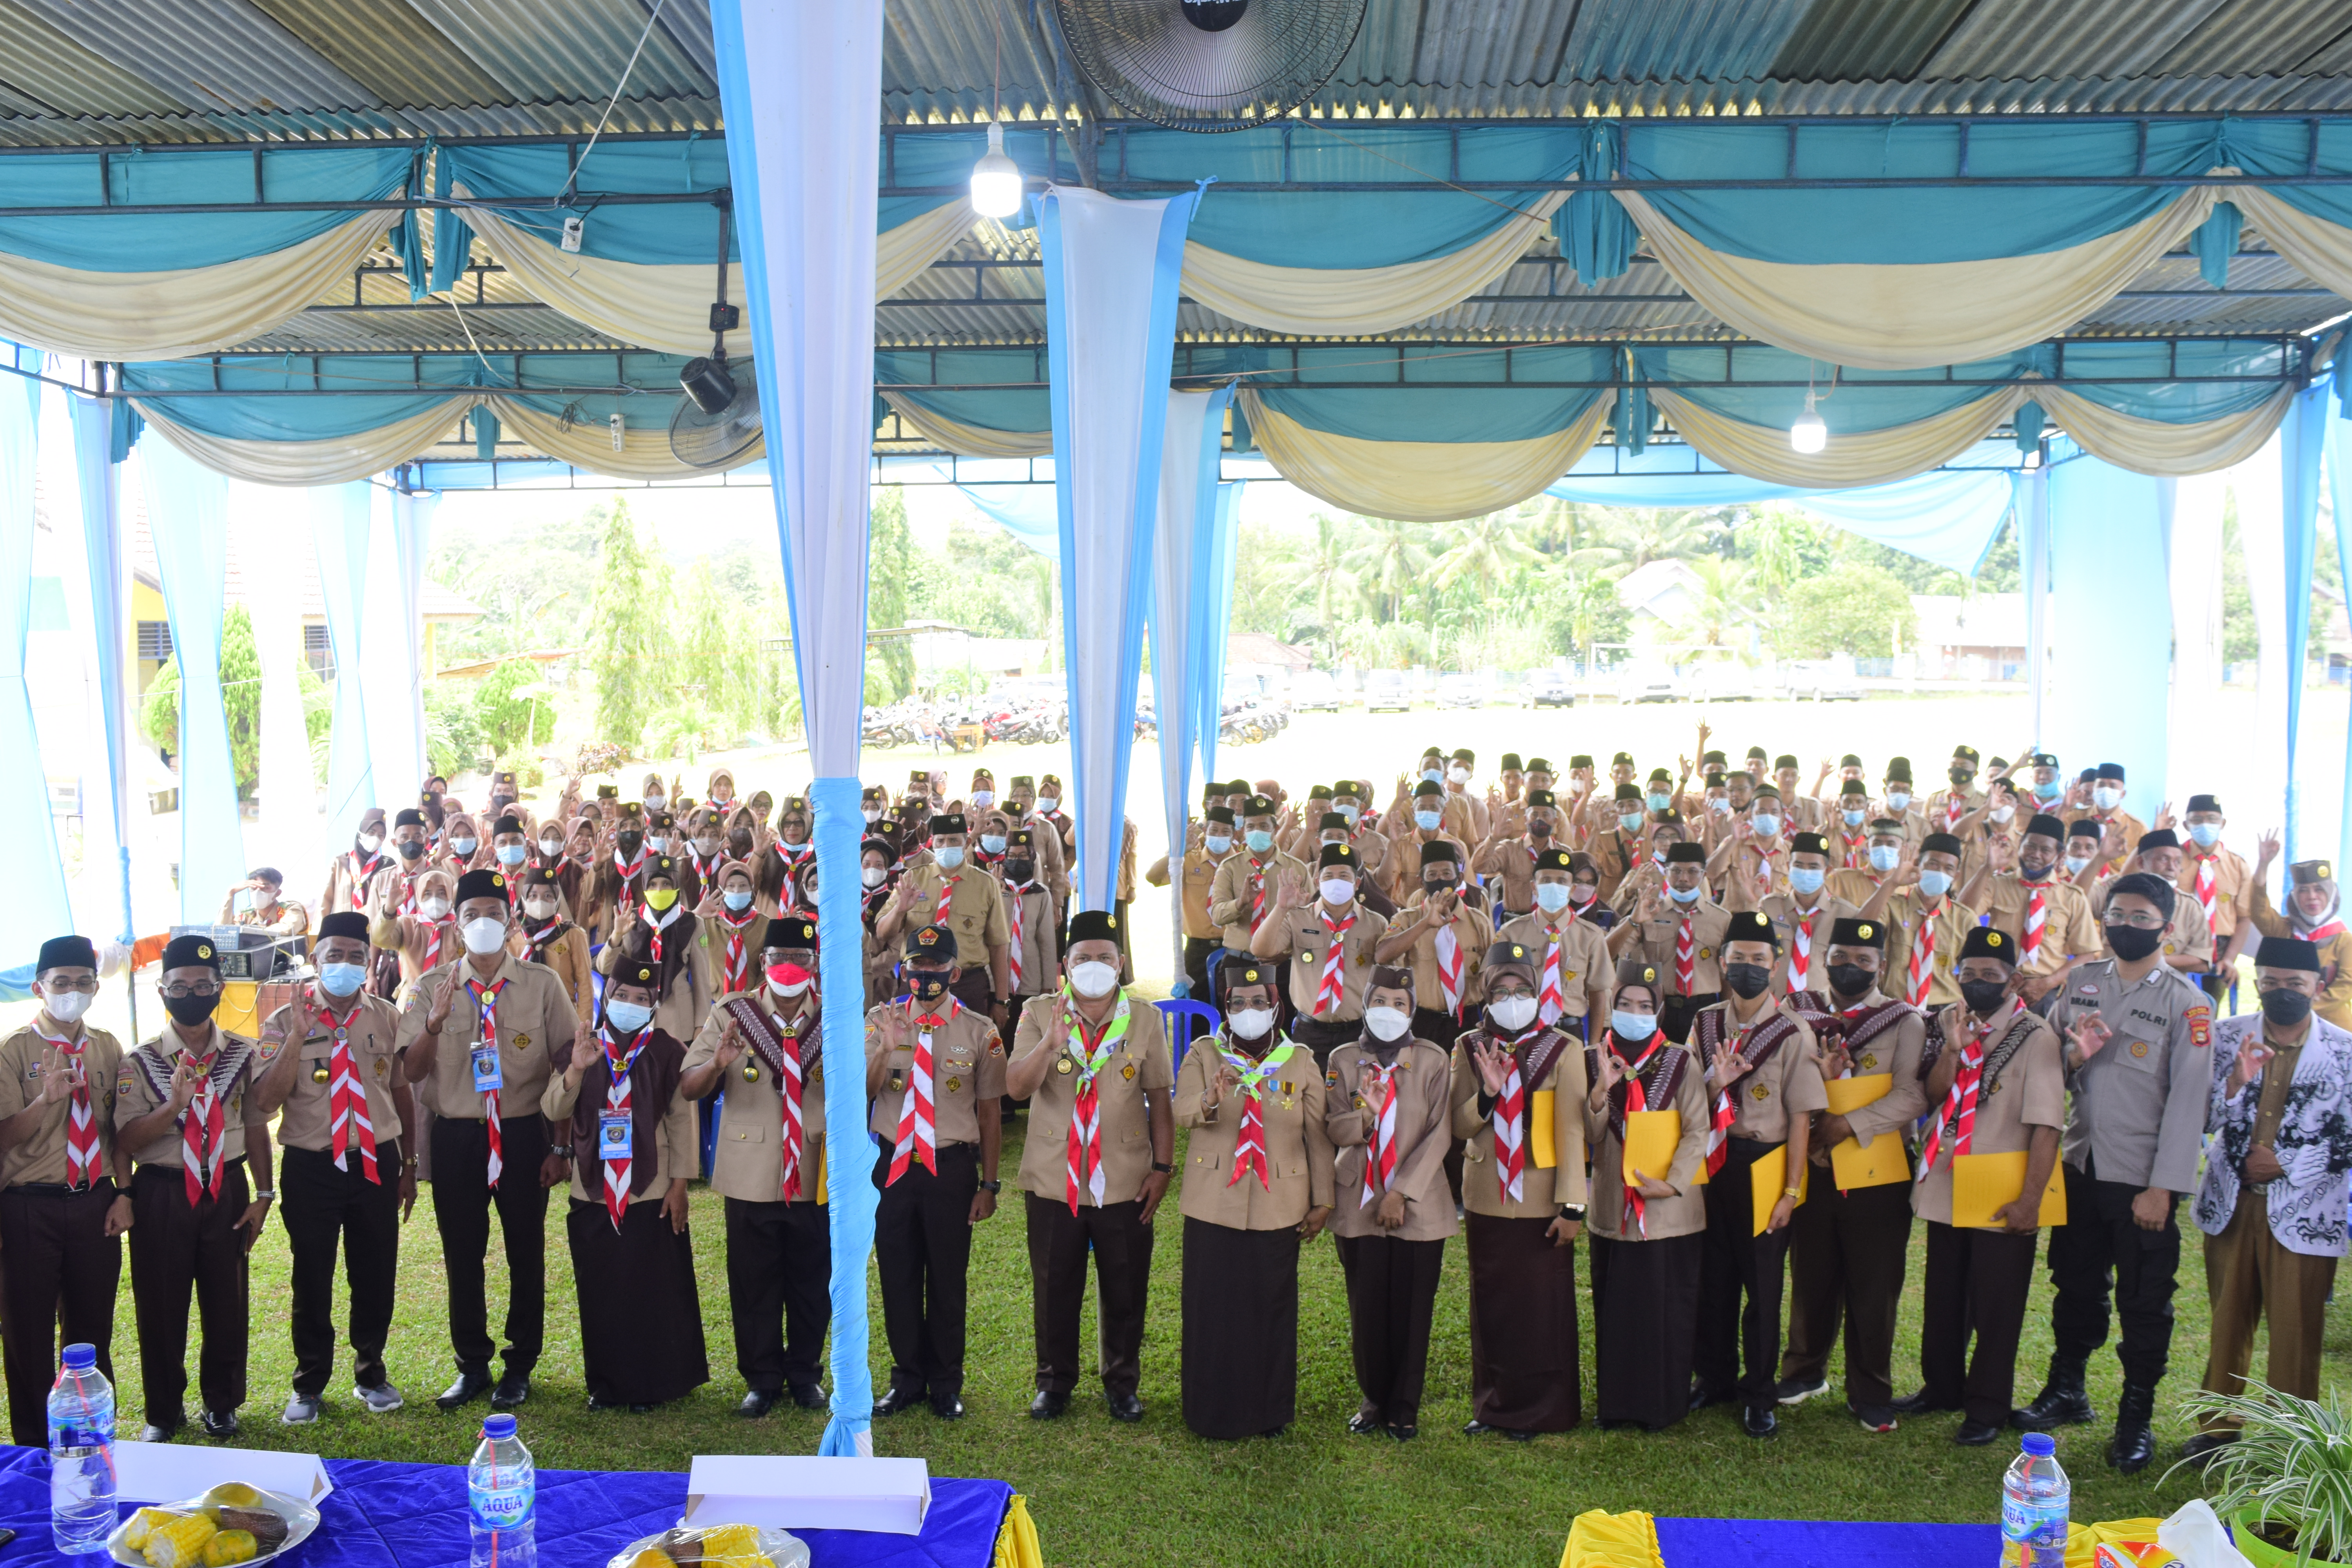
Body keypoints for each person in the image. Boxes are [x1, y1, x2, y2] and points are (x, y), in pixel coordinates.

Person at [2016, 871, 2212, 1471]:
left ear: (2166, 927)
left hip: (2142, 1178)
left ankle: (2136, 1416)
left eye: (2140, 918)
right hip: (2082, 1163)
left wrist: (2163, 1188)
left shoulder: (2187, 1002)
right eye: (2117, 916)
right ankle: (2067, 1389)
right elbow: (2050, 1065)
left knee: (2145, 1301)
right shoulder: (2083, 982)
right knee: (2075, 1283)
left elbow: (2189, 1103)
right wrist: (2075, 1055)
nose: (2126, 926)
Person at [397, 868, 580, 1413]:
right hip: (458, 1135)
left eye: (494, 914)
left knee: (526, 1250)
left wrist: (560, 1146)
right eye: (472, 915)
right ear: (457, 925)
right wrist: (433, 1023)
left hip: (524, 1133)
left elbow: (568, 1066)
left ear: (512, 922)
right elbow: (410, 1071)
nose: (484, 923)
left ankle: (520, 1364)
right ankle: (472, 1365)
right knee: (462, 1252)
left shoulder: (542, 984)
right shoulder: (430, 987)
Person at [2185, 936, 2352, 1463]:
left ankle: (2291, 1442)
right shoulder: (2227, 1036)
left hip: (2307, 1210)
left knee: (2297, 1328)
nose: (2283, 992)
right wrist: (2234, 1084)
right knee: (2228, 1320)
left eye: (2295, 984)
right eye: (2272, 983)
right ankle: (2217, 1432)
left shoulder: (2345, 1050)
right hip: (2232, 1204)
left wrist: (2287, 1164)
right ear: (2258, 983)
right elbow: (2198, 1116)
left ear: (2318, 986)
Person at [1898, 926, 2066, 1445]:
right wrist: (1953, 1051)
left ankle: (1988, 1407)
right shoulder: (1950, 1022)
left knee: (1997, 1304)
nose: (1977, 982)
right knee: (1944, 1294)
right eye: (1968, 973)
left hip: (2000, 1185)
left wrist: (2030, 1201)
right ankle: (1941, 1388)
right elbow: (1935, 1095)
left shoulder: (2036, 1036)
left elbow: (2047, 1126)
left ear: (2013, 980)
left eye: (1990, 974)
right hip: (1951, 1177)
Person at [1004, 911, 1174, 1422]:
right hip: (1055, 1176)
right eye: (1083, 958)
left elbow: (1160, 1101)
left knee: (1126, 1286)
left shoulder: (1144, 1019)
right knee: (1054, 1285)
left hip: (1123, 1177)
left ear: (1121, 964)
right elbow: (1016, 1088)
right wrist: (1050, 1044)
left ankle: (1121, 1382)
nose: (1094, 966)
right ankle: (1054, 1382)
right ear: (1065, 965)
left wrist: (1163, 1168)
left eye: (1104, 957)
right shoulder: (1039, 1012)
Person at [252, 913, 416, 1424]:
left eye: (355, 956)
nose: (345, 964)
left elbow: (401, 1091)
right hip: (311, 1165)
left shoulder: (387, 1017)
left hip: (375, 1160)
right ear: (315, 960)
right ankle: (309, 1384)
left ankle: (371, 1373)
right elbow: (265, 1102)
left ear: (368, 962)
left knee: (376, 1273)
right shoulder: (284, 1021)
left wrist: (409, 1163)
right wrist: (297, 1039)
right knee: (312, 1276)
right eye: (335, 955)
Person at [115, 933, 274, 1441]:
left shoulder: (243, 1054)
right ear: (162, 990)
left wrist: (264, 1196)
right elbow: (127, 1139)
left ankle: (222, 1404)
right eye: (180, 986)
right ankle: (163, 1412)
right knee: (161, 1304)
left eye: (203, 985)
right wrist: (174, 1106)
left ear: (220, 987)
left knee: (227, 1301)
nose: (192, 994)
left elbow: (256, 1127)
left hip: (227, 1188)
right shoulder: (139, 1061)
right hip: (162, 1192)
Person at [1775, 917, 1927, 1432]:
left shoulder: (1905, 1020)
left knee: (1874, 1284)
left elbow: (1912, 1095)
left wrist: (1847, 1123)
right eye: (1841, 956)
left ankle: (1871, 1392)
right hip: (1813, 1164)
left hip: (1877, 1168)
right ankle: (1803, 1371)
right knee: (1811, 1274)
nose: (1850, 967)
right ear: (1825, 959)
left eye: (1863, 960)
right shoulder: (1799, 1010)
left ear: (1881, 966)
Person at [1172, 962, 1333, 1439]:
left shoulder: (1299, 1059)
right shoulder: (1205, 1052)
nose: (1249, 1010)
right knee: (1211, 1309)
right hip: (1213, 1199)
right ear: (1226, 1007)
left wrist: (1323, 1200)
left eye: (1258, 1002)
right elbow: (1182, 1111)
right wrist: (1210, 1097)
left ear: (1275, 1006)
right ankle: (1210, 1410)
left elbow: (1318, 1136)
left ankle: (1268, 1412)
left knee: (1271, 1307)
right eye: (1238, 1003)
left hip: (1278, 1199)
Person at [682, 922, 831, 1416]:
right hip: (749, 1168)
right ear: (762, 960)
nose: (789, 965)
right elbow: (689, 1086)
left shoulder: (834, 1015)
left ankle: (806, 1374)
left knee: (812, 1280)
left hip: (812, 1168)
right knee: (753, 1282)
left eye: (800, 956)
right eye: (779, 955)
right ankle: (762, 1378)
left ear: (814, 963)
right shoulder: (732, 1012)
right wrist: (716, 1063)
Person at [544, 958, 706, 1412]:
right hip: (592, 1187)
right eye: (622, 996)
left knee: (650, 1287)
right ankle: (606, 1384)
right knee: (601, 1287)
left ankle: (651, 1384)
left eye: (642, 999)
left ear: (654, 1005)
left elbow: (681, 1120)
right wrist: (576, 1071)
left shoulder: (667, 1050)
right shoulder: (581, 1046)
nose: (630, 1005)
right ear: (606, 996)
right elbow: (554, 1107)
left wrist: (680, 1184)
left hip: (650, 1188)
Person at [1688, 911, 1823, 1438]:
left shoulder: (1793, 1032)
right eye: (1738, 958)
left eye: (1758, 959)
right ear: (1723, 963)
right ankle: (1714, 1377)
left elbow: (1801, 1118)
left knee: (1763, 1287)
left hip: (1765, 1165)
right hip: (1714, 1159)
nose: (1748, 967)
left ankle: (1759, 1393)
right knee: (1713, 1278)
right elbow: (1687, 1098)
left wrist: (1791, 1191)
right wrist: (1714, 1082)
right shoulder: (1704, 1023)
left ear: (1775, 965)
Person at [865, 925, 1005, 1421]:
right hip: (894, 1167)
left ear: (955, 972)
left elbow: (990, 1113)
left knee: (947, 1278)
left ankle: (946, 1383)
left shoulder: (980, 1031)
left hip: (950, 1168)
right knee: (898, 1274)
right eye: (917, 966)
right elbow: (862, 1092)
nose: (925, 975)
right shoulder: (880, 1020)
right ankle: (906, 1379)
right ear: (903, 969)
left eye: (935, 966)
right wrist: (885, 1049)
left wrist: (989, 1184)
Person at [1452, 941, 1590, 1437]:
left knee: (1540, 1306)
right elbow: (1459, 1124)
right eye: (1501, 992)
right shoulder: (1469, 1045)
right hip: (1487, 1188)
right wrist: (1488, 1093)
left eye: (1522, 990)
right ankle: (1494, 1405)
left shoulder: (1564, 1048)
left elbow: (1572, 1129)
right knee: (1491, 1301)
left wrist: (1572, 1205)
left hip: (1541, 1193)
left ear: (1537, 992)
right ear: (1486, 996)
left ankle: (1543, 1409)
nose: (1513, 1000)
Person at [0, 936, 133, 1447]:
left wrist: (123, 1193)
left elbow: (116, 1130)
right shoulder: (13, 1051)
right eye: (61, 983)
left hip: (94, 1202)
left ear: (96, 988)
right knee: (28, 1334)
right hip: (29, 1204)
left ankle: (91, 1437)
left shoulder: (107, 1046)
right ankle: (37, 1447)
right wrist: (44, 1101)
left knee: (91, 1329)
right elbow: (4, 1136)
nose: (71, 991)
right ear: (39, 988)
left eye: (82, 982)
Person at [1324, 967, 1455, 1440]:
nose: (1389, 1011)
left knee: (1413, 1307)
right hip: (1358, 1200)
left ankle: (1404, 1405)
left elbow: (1441, 1132)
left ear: (1413, 1010)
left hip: (1419, 1201)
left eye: (1399, 1003)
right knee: (1367, 1305)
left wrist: (1400, 1192)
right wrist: (1366, 1114)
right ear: (1364, 1005)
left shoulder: (1433, 1060)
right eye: (1379, 1001)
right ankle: (1374, 1398)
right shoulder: (1343, 1059)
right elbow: (1333, 1125)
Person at [1584, 958, 1710, 1430]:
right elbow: (1590, 1134)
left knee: (1665, 1308)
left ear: (1657, 1011)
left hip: (1669, 1209)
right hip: (1614, 1205)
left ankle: (1661, 1405)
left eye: (1644, 1005)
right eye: (1625, 1003)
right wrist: (1601, 1091)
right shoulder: (1593, 1058)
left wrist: (1673, 1182)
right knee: (1617, 1308)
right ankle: (1616, 1405)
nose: (1634, 1012)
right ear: (1612, 1006)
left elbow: (1698, 1129)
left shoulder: (1681, 1059)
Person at [1249, 843, 1387, 1065]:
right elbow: (1260, 950)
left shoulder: (1376, 923)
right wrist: (1281, 908)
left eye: (1344, 876)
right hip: (1310, 1031)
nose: (1336, 881)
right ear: (1317, 881)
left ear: (1357, 883)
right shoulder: (1298, 917)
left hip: (1357, 1031)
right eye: (1329, 876)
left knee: (1355, 1087)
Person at [875, 813, 1011, 1028]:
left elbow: (998, 946)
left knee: (968, 1044)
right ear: (933, 843)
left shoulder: (986, 885)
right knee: (910, 1042)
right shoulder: (912, 878)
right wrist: (899, 911)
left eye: (954, 840)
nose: (947, 846)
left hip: (966, 983)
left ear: (966, 843)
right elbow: (883, 933)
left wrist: (1001, 1000)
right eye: (941, 841)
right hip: (917, 980)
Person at [1962, 812, 2104, 1008]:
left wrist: (2047, 984)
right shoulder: (1997, 885)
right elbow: (1962, 913)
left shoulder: (2072, 897)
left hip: (2046, 989)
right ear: (2020, 846)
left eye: (2045, 850)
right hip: (1999, 984)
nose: (2036, 855)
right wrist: (1987, 868)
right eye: (2030, 846)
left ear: (2059, 856)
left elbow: (2087, 954)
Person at [1376, 841, 1493, 1050]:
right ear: (1421, 882)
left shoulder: (1479, 922)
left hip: (1469, 1019)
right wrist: (1425, 924)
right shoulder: (1407, 919)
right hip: (1423, 1020)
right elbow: (1382, 956)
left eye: (1447, 873)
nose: (1440, 880)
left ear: (1459, 879)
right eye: (1432, 875)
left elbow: (1491, 972)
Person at [1611, 842, 1730, 1045]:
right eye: (1676, 871)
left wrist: (1726, 1013)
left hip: (1706, 1007)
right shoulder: (1649, 912)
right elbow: (1608, 953)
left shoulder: (1722, 918)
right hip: (1659, 1006)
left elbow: (1728, 975)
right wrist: (1633, 920)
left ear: (1703, 875)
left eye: (1692, 872)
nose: (1683, 878)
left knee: (1703, 1061)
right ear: (1665, 873)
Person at [1495, 848, 1613, 1037]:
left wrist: (1592, 1045)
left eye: (1561, 882)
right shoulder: (1512, 933)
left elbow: (1598, 994)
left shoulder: (1591, 936)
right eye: (1545, 880)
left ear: (1572, 889)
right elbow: (1495, 987)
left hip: (1570, 1030)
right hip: (1522, 1029)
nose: (1553, 886)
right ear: (1534, 887)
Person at [597, 855, 715, 1041]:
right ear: (645, 887)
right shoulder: (630, 920)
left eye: (666, 884)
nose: (659, 890)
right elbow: (605, 968)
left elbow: (701, 980)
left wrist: (701, 1024)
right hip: (634, 1016)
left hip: (679, 1020)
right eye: (652, 884)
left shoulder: (692, 923)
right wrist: (617, 935)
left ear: (676, 886)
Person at [1863, 833, 1978, 1010]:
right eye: (1933, 864)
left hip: (1943, 1007)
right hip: (1893, 1004)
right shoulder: (1892, 906)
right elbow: (1859, 930)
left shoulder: (1965, 919)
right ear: (1918, 865)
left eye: (1948, 868)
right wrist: (1892, 883)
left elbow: (1977, 971)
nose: (1940, 872)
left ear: (1956, 875)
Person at [2247, 842, 2352, 1027]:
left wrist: (2303, 1008)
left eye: (2319, 889)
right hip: (2281, 1022)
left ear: (2331, 893)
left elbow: (2347, 985)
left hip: (2332, 1023)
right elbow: (2258, 911)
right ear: (2294, 895)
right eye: (2303, 890)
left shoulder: (2344, 939)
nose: (2312, 896)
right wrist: (2263, 865)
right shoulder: (2284, 930)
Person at [1208, 795, 1309, 978]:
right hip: (1239, 961)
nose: (1257, 832)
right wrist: (1240, 903)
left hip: (1283, 964)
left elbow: (1310, 918)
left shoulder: (1296, 868)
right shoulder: (1230, 867)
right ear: (1243, 830)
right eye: (1251, 827)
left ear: (1275, 829)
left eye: (1264, 826)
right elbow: (1218, 915)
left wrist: (1288, 951)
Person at [1746, 833, 1857, 998]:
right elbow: (1750, 950)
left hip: (1822, 1006)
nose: (1805, 872)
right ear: (1788, 866)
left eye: (1813, 867)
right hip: (1775, 1003)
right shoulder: (1770, 907)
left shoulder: (1845, 914)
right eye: (1798, 865)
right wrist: (1751, 902)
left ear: (1827, 871)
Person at [2176, 795, 2255, 1004]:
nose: (2205, 825)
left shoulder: (2238, 866)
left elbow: (2244, 918)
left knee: (2208, 1010)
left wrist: (2229, 959)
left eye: (2212, 819)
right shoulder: (2173, 859)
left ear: (2223, 823)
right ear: (2186, 825)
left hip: (2219, 950)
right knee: (2171, 1005)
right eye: (2197, 820)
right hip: (2177, 946)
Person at [515, 865, 595, 1026]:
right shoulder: (514, 935)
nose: (540, 901)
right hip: (520, 1018)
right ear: (524, 900)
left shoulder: (572, 934)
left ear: (557, 900)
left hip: (562, 1017)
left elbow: (585, 986)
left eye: (548, 896)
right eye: (533, 896)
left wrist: (581, 1028)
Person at [319, 809, 393, 921]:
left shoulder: (387, 866)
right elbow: (325, 901)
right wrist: (320, 930)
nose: (376, 838)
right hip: (341, 928)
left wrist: (367, 909)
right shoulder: (340, 863)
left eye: (381, 835)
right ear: (362, 832)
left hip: (373, 928)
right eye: (371, 832)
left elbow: (389, 901)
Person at [220, 867, 308, 942]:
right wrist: (231, 893)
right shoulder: (246, 915)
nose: (258, 892)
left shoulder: (291, 908)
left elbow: (289, 928)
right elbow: (222, 931)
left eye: (266, 888)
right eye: (254, 888)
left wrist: (251, 932)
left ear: (277, 893)